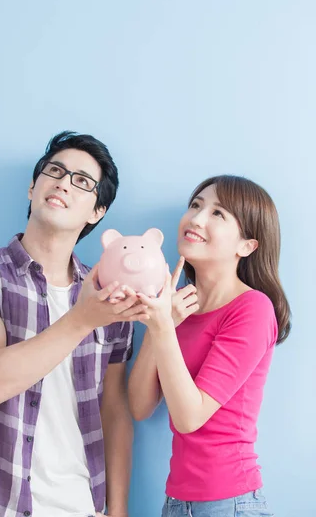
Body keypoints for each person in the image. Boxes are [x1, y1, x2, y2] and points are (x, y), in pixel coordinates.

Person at [0, 131, 145, 517]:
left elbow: (114, 410)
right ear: (33, 188)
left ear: (96, 212)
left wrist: (117, 511)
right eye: (55, 171)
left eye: (82, 181)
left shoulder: (109, 298)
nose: (64, 182)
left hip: (83, 506)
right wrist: (81, 320)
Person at [128, 175, 291, 517]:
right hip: (176, 501)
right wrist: (163, 322)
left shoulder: (253, 309)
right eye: (196, 205)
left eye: (218, 214)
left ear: (246, 245)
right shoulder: (177, 309)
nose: (197, 219)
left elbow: (189, 417)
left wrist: (162, 329)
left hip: (229, 502)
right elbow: (140, 407)